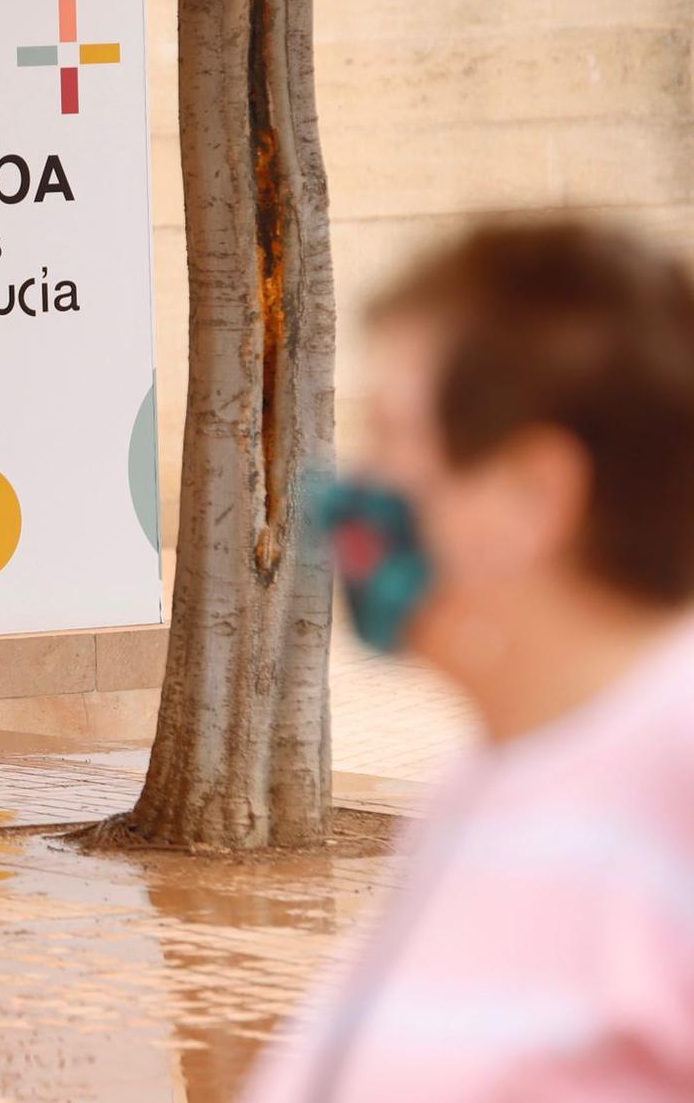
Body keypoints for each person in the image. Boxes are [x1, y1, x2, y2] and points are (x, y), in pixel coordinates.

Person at [244, 221, 694, 1103]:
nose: (351, 486)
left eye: (393, 436)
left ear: (534, 494)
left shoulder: (675, 771)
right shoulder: (491, 776)